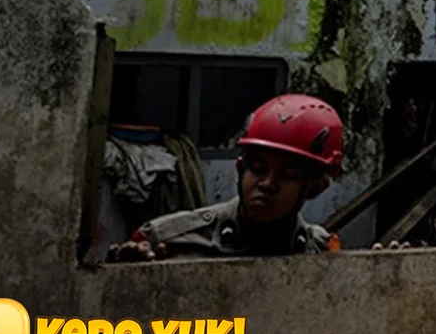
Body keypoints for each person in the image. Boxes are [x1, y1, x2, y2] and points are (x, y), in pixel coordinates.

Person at [108, 94, 344, 260]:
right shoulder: (167, 240)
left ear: (315, 188)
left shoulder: (322, 252)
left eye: (288, 175)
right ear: (241, 168)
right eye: (258, 168)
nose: (267, 184)